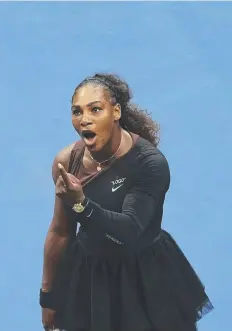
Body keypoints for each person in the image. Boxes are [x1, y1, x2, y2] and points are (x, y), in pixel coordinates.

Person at [40, 73, 213, 331]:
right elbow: (60, 232)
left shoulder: (150, 164)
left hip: (146, 281)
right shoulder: (67, 162)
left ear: (116, 111)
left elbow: (130, 231)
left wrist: (81, 205)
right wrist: (48, 298)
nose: (84, 119)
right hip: (91, 279)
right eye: (77, 111)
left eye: (95, 109)